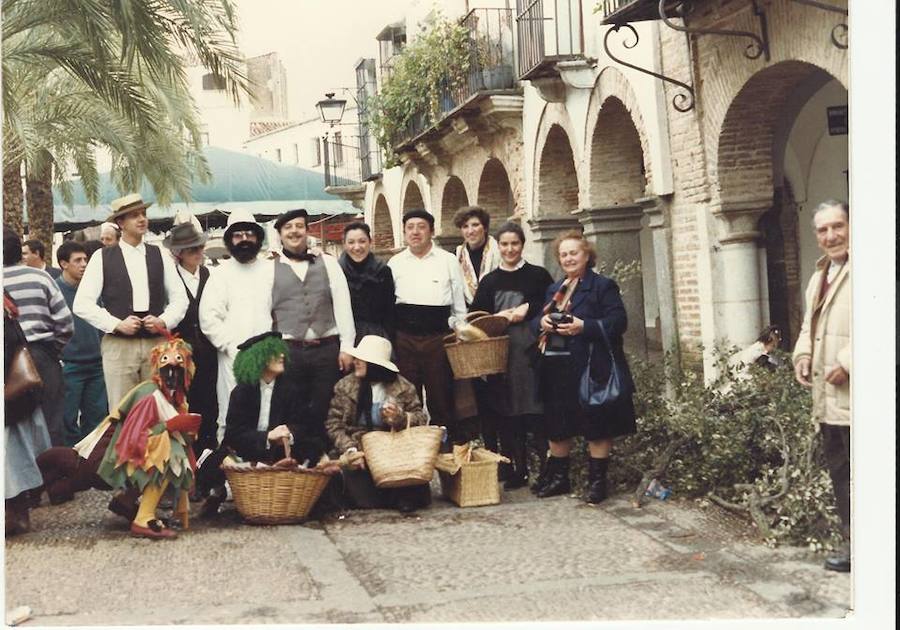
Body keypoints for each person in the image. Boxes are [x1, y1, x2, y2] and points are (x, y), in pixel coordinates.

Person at [531, 230, 637, 504]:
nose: (568, 258)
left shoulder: (603, 286)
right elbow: (536, 321)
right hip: (557, 366)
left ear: (586, 254)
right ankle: (559, 478)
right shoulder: (555, 289)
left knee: (596, 425)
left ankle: (597, 483)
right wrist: (540, 324)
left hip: (591, 366)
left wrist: (583, 326)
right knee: (558, 424)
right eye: (563, 254)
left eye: (573, 253)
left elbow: (618, 323)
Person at [73, 193, 188, 411]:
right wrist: (116, 324)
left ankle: (158, 447)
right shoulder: (102, 257)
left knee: (160, 409)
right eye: (134, 216)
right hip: (119, 346)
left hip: (156, 345)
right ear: (120, 223)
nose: (142, 219)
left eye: (143, 214)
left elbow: (180, 299)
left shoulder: (160, 254)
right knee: (122, 411)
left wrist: (163, 321)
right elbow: (82, 304)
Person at [196, 332, 329, 516]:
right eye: (275, 352)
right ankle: (223, 491)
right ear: (259, 357)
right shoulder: (241, 392)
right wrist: (266, 437)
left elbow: (304, 424)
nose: (282, 355)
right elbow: (234, 435)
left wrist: (288, 432)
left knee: (314, 449)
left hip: (281, 453)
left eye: (282, 351)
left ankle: (234, 491)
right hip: (249, 452)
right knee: (213, 459)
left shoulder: (292, 389)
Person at [470, 222, 553, 489]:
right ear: (498, 246)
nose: (509, 249)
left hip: (531, 351)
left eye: (514, 244)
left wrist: (530, 309)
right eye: (504, 244)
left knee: (536, 409)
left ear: (522, 245)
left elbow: (552, 304)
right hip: (500, 352)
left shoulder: (538, 275)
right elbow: (477, 317)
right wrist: (499, 318)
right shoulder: (489, 281)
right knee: (510, 412)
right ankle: (518, 469)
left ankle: (546, 468)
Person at [792, 200, 851, 573]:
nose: (831, 236)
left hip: (862, 395)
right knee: (842, 474)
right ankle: (854, 546)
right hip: (829, 399)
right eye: (823, 230)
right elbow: (807, 328)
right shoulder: (819, 276)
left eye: (838, 226)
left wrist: (849, 362)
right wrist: (802, 355)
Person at [269, 208, 355, 443]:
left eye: (299, 226)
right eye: (288, 227)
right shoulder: (268, 267)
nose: (294, 231)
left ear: (307, 231)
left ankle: (329, 466)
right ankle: (299, 466)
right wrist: (269, 351)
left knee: (326, 408)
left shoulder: (328, 262)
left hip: (326, 349)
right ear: (279, 234)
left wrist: (347, 346)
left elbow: (342, 305)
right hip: (289, 350)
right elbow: (266, 313)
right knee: (293, 410)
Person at [325, 335, 431, 513]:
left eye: (362, 359)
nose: (356, 362)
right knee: (352, 483)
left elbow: (420, 419)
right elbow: (333, 424)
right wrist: (350, 450)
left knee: (406, 478)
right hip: (359, 448)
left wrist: (400, 417)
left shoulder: (403, 387)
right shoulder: (345, 386)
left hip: (391, 448)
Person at [387, 209, 468, 443]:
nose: (415, 232)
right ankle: (411, 448)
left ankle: (445, 448)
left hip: (438, 338)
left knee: (441, 396)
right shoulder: (395, 263)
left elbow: (458, 301)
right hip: (405, 339)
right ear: (404, 232)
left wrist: (460, 330)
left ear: (431, 231)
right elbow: (390, 303)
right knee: (407, 396)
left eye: (421, 227)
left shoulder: (448, 260)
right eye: (410, 227)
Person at [199, 209, 274, 444]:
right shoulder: (220, 275)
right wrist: (232, 348)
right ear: (230, 240)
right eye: (238, 235)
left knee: (266, 414)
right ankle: (229, 473)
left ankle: (264, 472)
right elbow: (209, 318)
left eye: (249, 234)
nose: (244, 240)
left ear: (258, 238)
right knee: (230, 415)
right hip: (233, 357)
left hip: (268, 358)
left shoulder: (272, 270)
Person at [4, 228, 74, 447]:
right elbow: (65, 323)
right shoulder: (41, 277)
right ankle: (53, 476)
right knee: (52, 419)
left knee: (12, 426)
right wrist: (53, 350)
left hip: (5, 361)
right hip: (41, 356)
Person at [164, 213, 218, 458]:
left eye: (199, 247)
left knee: (210, 406)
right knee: (184, 407)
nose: (198, 252)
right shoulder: (171, 278)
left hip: (209, 352)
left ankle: (208, 458)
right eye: (191, 249)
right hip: (181, 355)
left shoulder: (210, 276)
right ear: (179, 253)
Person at [4, 290, 53, 535]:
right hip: (14, 388)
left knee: (13, 455)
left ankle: (16, 515)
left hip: (10, 389)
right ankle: (18, 510)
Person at [55, 241, 108, 446]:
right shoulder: (55, 290)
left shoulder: (93, 290)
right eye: (78, 260)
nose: (84, 264)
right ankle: (70, 468)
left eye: (85, 259)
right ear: (63, 264)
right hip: (69, 366)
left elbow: (102, 321)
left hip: (96, 365)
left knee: (96, 420)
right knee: (67, 420)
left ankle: (90, 467)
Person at [338, 221, 395, 342]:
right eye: (351, 242)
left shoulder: (383, 270)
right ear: (344, 244)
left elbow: (390, 311)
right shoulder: (337, 271)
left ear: (370, 242)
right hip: (345, 336)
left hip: (377, 335)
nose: (357, 247)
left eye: (362, 241)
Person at [453, 206, 501, 305]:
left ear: (485, 228)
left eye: (475, 225)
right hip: (468, 313)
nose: (470, 231)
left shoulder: (500, 251)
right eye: (465, 226)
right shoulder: (457, 256)